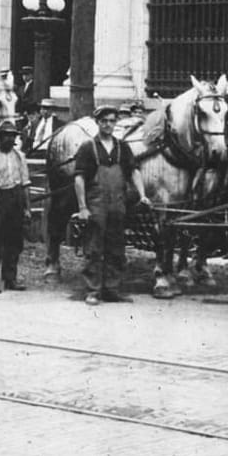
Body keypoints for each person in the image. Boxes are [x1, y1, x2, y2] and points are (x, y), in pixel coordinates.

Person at [74, 103, 139, 306]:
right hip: (96, 203)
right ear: (98, 123)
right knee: (94, 247)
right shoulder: (88, 147)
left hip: (118, 203)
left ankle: (112, 289)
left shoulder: (122, 147)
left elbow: (133, 171)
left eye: (112, 121)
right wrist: (82, 207)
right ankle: (93, 290)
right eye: (104, 121)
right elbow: (79, 178)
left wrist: (143, 194)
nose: (108, 125)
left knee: (116, 247)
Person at [0, 119, 32, 293]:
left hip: (15, 199)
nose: (9, 139)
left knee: (14, 242)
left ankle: (10, 279)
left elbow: (25, 184)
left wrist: (27, 208)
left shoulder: (20, 156)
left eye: (12, 136)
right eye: (6, 136)